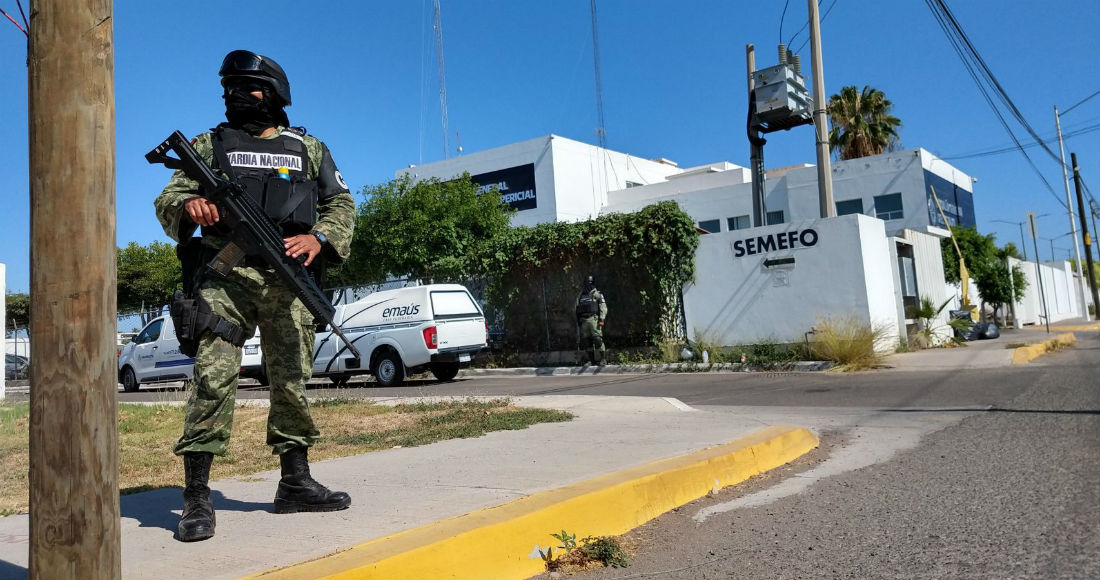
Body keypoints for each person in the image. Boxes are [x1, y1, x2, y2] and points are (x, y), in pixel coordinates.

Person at [154, 50, 357, 542]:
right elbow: (169, 200)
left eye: (249, 87)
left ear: (276, 92)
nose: (236, 96)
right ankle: (197, 497)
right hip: (226, 278)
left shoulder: (308, 149)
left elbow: (341, 203)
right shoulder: (208, 143)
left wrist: (320, 238)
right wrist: (191, 207)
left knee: (291, 379)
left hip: (289, 277)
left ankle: (295, 483)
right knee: (214, 378)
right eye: (229, 88)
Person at [575, 275, 608, 365]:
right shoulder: (581, 295)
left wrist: (602, 319)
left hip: (594, 320)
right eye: (587, 283)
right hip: (583, 321)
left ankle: (603, 359)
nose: (589, 284)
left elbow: (603, 307)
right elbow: (577, 308)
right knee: (586, 341)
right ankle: (590, 360)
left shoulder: (597, 294)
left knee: (597, 339)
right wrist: (578, 320)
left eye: (590, 282)